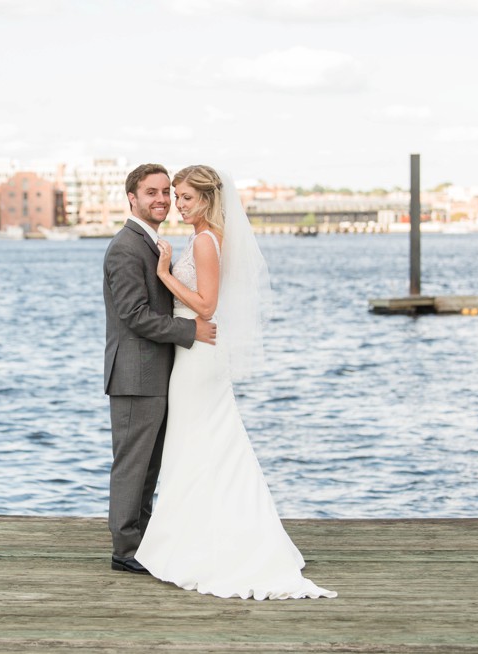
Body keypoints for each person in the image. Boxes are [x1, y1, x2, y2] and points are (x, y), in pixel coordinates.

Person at [134, 165, 336, 600]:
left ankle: (204, 544)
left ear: (207, 199)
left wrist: (166, 274)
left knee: (198, 442)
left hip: (199, 355)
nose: (178, 205)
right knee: (208, 443)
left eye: (186, 198)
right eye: (176, 196)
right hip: (196, 354)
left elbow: (206, 306)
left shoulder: (206, 241)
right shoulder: (204, 238)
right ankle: (204, 535)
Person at [103, 163, 217, 575]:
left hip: (156, 373)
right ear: (131, 198)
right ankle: (125, 550)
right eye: (152, 192)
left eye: (167, 192)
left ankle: (143, 542)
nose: (162, 199)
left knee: (149, 465)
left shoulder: (151, 243)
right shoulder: (125, 247)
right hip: (135, 374)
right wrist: (192, 330)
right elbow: (134, 315)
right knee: (133, 463)